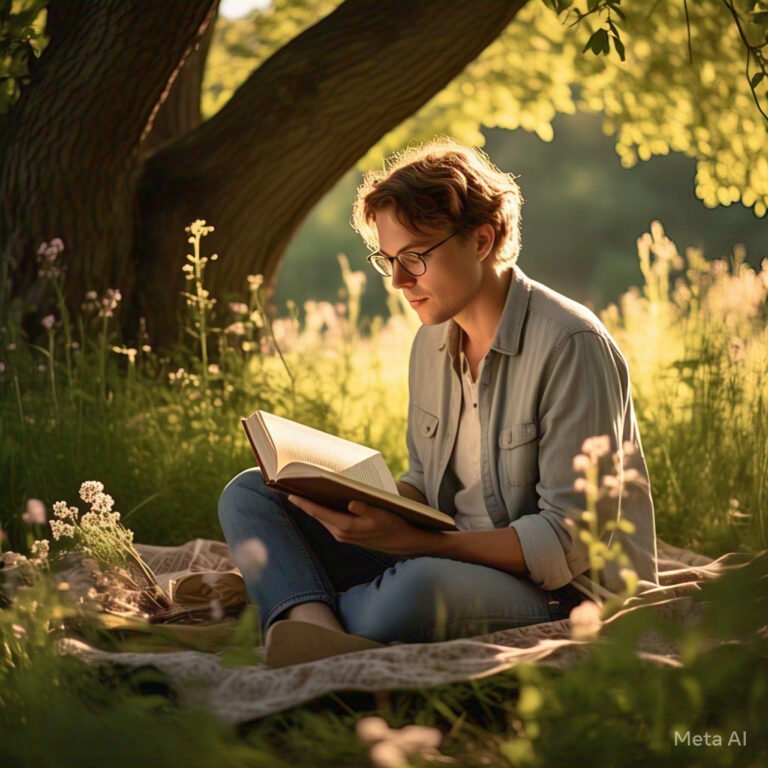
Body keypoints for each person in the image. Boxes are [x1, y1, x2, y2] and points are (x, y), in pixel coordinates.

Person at [218, 138, 658, 668]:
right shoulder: (430, 343)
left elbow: (568, 542)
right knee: (250, 494)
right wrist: (358, 499)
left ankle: (290, 605)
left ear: (481, 239)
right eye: (389, 260)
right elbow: (428, 486)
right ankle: (313, 625)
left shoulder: (570, 345)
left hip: (563, 591)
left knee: (413, 592)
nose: (400, 281)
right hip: (446, 554)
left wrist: (417, 546)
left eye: (415, 257)